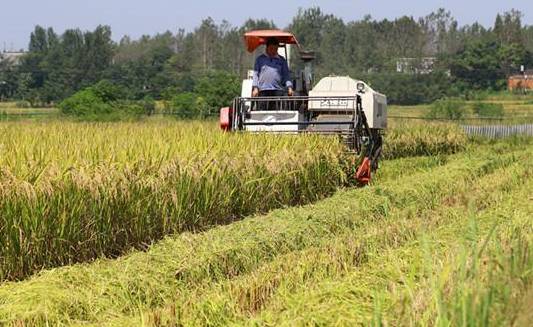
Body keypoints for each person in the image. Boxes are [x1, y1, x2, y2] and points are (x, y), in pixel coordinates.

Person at [252, 37, 293, 110]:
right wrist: (255, 88)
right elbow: (255, 74)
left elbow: (286, 75)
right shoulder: (260, 59)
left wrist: (289, 87)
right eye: (271, 48)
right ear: (266, 48)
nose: (273, 51)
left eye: (275, 49)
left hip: (278, 91)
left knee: (278, 114)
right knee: (262, 113)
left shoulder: (282, 60)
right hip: (263, 91)